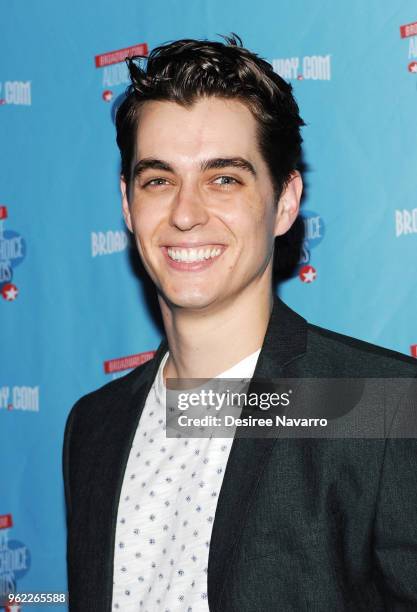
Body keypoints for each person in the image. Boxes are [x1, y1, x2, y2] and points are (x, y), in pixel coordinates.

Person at [63, 35, 417, 611]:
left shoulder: (384, 407)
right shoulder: (94, 427)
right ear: (127, 206)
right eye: (158, 179)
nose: (184, 212)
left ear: (284, 202)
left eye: (223, 178)